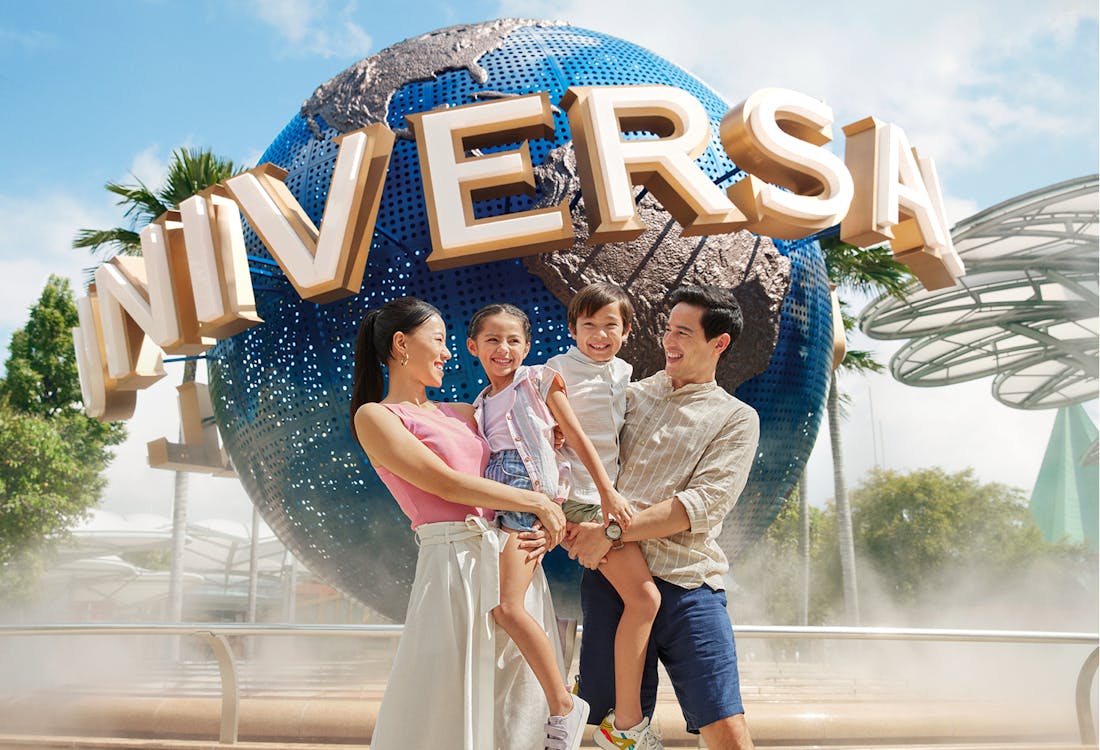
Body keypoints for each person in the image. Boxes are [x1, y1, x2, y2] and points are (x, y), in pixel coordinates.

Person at [349, 296, 569, 750]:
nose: (449, 353)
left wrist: (548, 503)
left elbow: (524, 453)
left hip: (508, 552)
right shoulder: (376, 417)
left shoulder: (466, 411)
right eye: (439, 340)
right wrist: (536, 503)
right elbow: (444, 483)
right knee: (445, 697)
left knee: (515, 698)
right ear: (400, 344)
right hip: (452, 566)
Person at [566, 285, 761, 750]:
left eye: (684, 333)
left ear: (719, 343)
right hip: (614, 580)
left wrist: (609, 531)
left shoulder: (736, 418)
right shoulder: (628, 397)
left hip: (690, 583)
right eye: (668, 329)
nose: (669, 342)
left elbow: (703, 504)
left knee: (727, 730)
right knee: (612, 729)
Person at [465, 302, 635, 750]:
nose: (504, 349)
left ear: (528, 345)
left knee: (507, 607)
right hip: (503, 503)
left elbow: (574, 435)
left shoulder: (538, 379)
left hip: (531, 499)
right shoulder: (481, 403)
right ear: (473, 347)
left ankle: (564, 704)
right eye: (493, 340)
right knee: (502, 607)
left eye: (514, 340)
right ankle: (556, 704)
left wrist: (605, 493)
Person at [545, 283, 663, 749]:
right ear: (572, 328)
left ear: (626, 330)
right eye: (588, 325)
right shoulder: (556, 369)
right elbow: (558, 431)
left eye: (609, 325)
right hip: (579, 500)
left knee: (639, 602)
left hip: (606, 499)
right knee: (644, 600)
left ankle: (598, 711)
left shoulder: (625, 373)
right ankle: (621, 725)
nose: (598, 334)